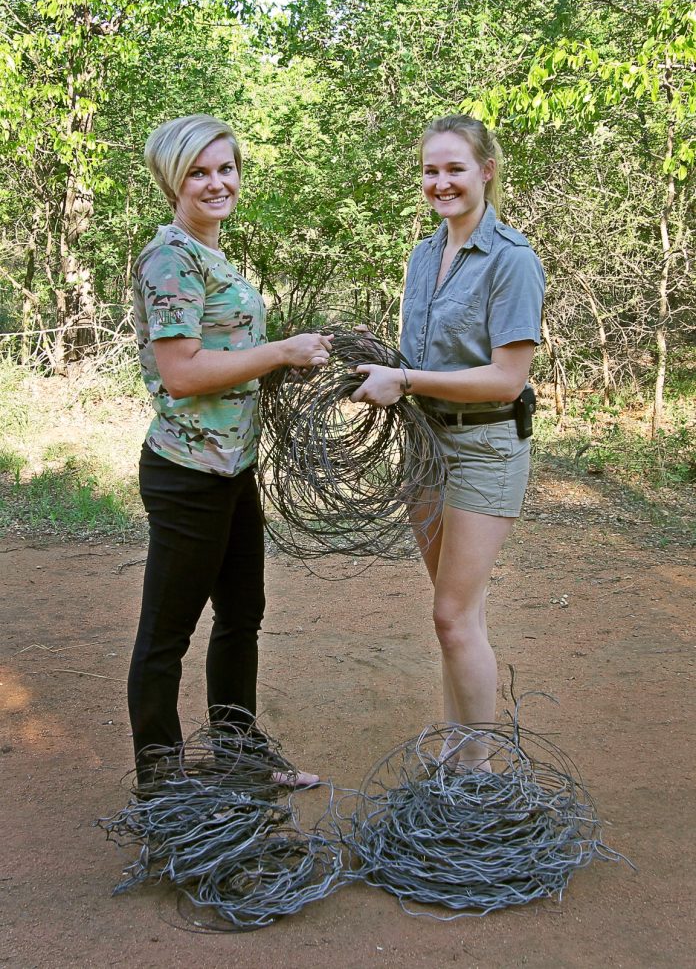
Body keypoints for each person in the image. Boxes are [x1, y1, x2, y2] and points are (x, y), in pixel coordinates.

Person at [129, 114, 333, 785]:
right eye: (199, 172)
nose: (217, 183)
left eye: (225, 168)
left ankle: (238, 754)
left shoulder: (210, 255)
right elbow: (182, 371)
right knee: (166, 638)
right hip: (187, 475)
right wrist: (278, 352)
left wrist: (298, 357)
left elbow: (227, 354)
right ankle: (162, 787)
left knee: (241, 615)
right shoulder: (172, 255)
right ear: (172, 180)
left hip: (230, 469)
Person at [351, 114, 545, 770]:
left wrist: (402, 378)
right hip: (426, 446)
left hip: (486, 449)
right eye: (431, 171)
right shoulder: (424, 255)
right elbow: (421, 357)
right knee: (458, 618)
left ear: (486, 171)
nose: (441, 183)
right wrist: (367, 361)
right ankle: (459, 755)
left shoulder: (513, 261)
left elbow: (505, 378)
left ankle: (477, 776)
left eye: (455, 169)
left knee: (452, 616)